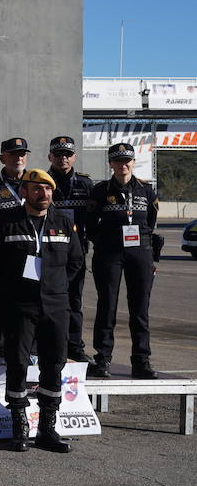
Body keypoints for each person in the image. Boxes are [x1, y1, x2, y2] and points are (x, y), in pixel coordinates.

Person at [0, 169, 84, 451]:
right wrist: (6, 298)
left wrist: (54, 287)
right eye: (36, 189)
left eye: (47, 189)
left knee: (53, 363)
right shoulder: (7, 223)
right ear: (24, 192)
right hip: (20, 306)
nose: (42, 194)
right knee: (18, 363)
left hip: (55, 305)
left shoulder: (63, 223)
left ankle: (47, 428)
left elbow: (75, 262)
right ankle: (19, 427)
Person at [86, 143, 161, 380]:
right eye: (118, 161)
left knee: (140, 308)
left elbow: (150, 221)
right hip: (109, 253)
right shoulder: (100, 190)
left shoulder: (147, 191)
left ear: (133, 162)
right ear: (110, 164)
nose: (123, 165)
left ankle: (141, 361)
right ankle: (103, 359)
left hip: (139, 253)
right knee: (107, 305)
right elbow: (90, 224)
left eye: (127, 160)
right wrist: (106, 242)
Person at [0, 137, 30, 362]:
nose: (18, 158)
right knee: (2, 303)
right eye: (13, 154)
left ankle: (30, 350)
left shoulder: (35, 182)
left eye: (22, 154)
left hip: (30, 255)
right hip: (2, 255)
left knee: (30, 304)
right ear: (3, 158)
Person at [47, 136, 94, 364]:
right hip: (49, 252)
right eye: (58, 154)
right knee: (46, 300)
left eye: (67, 154)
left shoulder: (86, 184)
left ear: (74, 157)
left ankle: (74, 346)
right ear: (50, 157)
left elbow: (94, 219)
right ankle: (45, 345)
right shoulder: (42, 182)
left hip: (76, 253)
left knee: (74, 300)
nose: (62, 158)